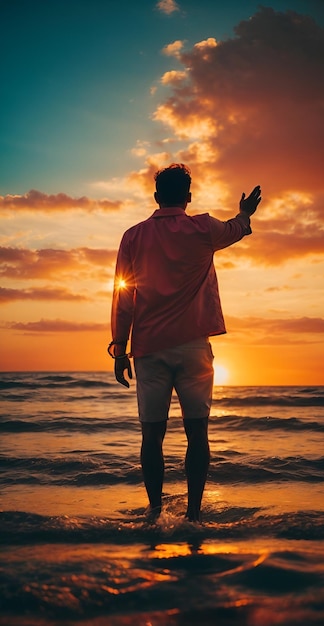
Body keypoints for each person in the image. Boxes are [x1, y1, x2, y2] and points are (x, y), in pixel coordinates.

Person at [109, 163, 261, 522]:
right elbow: (239, 229)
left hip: (149, 348)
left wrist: (119, 347)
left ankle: (154, 513)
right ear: (188, 198)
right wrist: (244, 211)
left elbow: (123, 294)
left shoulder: (132, 236)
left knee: (152, 435)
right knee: (197, 433)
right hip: (194, 346)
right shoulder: (204, 228)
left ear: (157, 196)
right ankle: (193, 516)